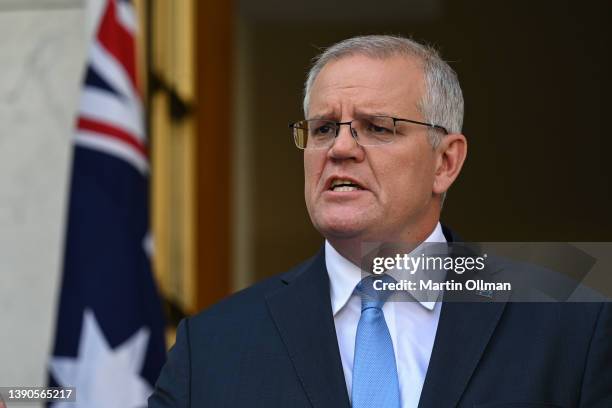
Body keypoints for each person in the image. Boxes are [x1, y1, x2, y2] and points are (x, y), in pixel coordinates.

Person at [149, 35, 611, 408]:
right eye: (324, 129)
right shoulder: (212, 346)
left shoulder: (572, 322)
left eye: (378, 127)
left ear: (446, 162)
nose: (341, 149)